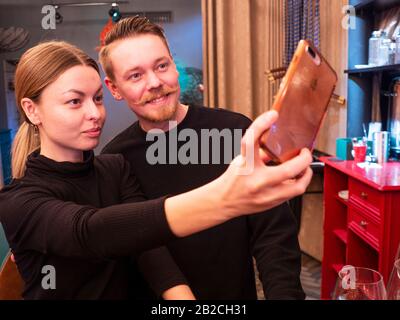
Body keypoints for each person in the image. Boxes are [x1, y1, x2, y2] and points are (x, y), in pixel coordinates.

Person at [0, 41, 312, 300]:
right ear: (32, 109)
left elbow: (149, 252)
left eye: (96, 99)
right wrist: (227, 198)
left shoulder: (113, 167)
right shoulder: (18, 200)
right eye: (74, 102)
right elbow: (92, 232)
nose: (95, 114)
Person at [100, 16, 307, 300]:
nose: (155, 82)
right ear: (114, 89)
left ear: (173, 65)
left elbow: (274, 235)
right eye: (135, 75)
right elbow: (137, 253)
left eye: (162, 66)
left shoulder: (234, 132)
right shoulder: (114, 160)